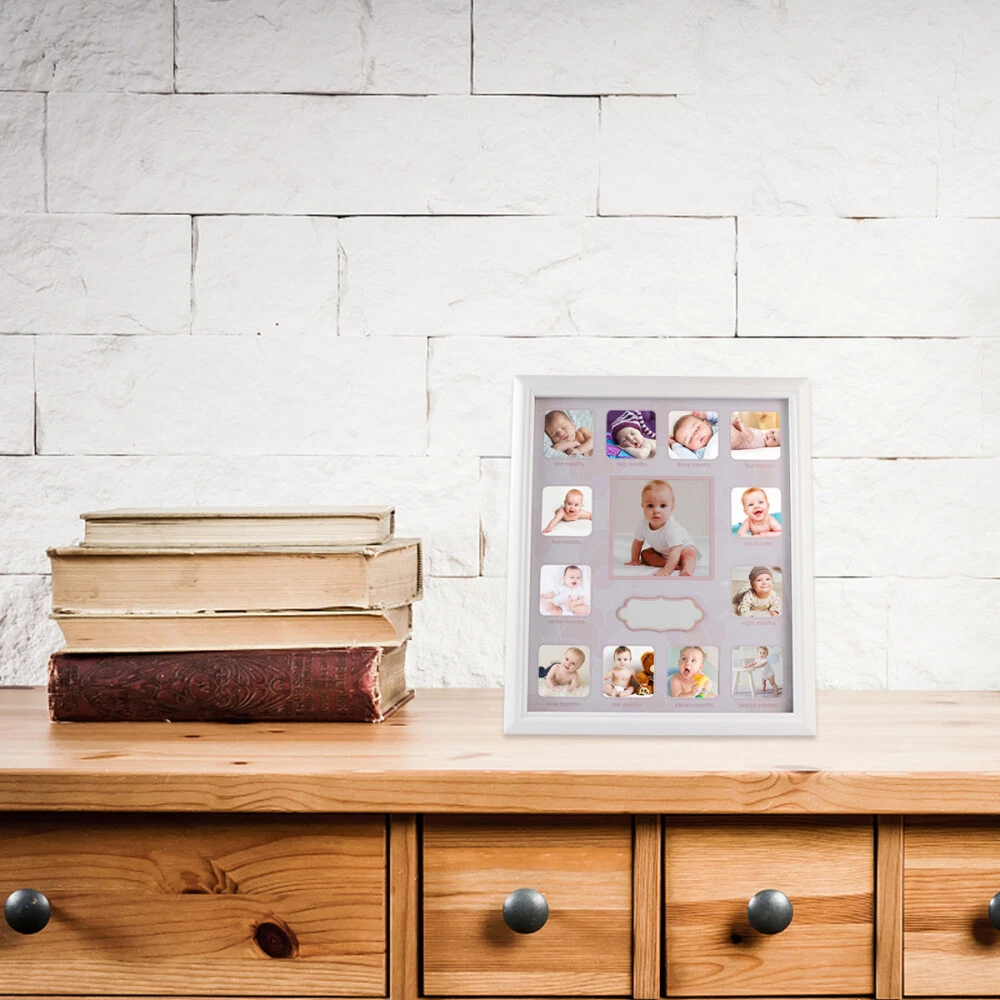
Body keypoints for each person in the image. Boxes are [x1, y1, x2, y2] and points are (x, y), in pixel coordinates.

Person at [625, 480, 698, 577]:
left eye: (663, 506)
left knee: (690, 555)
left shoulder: (671, 527)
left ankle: (686, 570)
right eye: (650, 506)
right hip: (663, 553)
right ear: (643, 507)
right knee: (645, 554)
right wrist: (634, 560)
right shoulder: (643, 524)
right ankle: (670, 563)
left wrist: (667, 571)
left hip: (681, 548)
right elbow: (637, 543)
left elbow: (675, 550)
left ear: (671, 509)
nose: (656, 510)